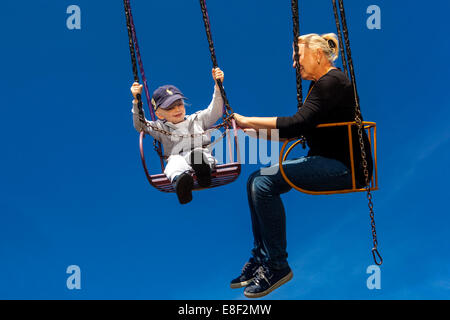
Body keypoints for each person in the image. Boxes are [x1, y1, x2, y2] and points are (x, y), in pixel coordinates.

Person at [230, 33, 373, 298]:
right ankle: (261, 258)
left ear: (318, 54)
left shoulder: (332, 82)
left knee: (263, 182)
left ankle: (277, 265)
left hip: (347, 167)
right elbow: (293, 133)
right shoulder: (318, 86)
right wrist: (248, 128)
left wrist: (248, 118)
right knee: (254, 180)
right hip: (325, 160)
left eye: (297, 56)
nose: (294, 64)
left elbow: (296, 122)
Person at [130, 68, 225, 204]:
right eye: (170, 107)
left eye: (179, 104)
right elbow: (141, 125)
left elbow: (215, 110)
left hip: (200, 155)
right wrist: (136, 101)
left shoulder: (197, 119)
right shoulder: (160, 127)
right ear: (159, 114)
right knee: (173, 163)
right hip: (177, 158)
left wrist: (218, 85)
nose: (177, 109)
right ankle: (182, 184)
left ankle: (204, 174)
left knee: (199, 155)